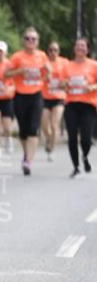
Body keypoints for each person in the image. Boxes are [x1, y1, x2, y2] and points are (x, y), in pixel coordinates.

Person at [5, 28, 51, 176]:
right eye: (27, 38)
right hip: (20, 96)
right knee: (23, 131)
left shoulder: (42, 56)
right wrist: (19, 71)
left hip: (36, 95)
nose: (30, 41)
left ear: (37, 42)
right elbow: (5, 74)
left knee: (33, 129)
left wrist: (45, 76)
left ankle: (28, 162)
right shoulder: (17, 56)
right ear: (23, 40)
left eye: (33, 39)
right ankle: (26, 155)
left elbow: (47, 74)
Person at [61, 37, 97, 178]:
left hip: (88, 105)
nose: (80, 48)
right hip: (71, 103)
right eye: (77, 46)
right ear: (74, 49)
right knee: (72, 136)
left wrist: (93, 86)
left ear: (87, 50)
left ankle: (85, 157)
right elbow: (61, 82)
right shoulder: (67, 66)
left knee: (86, 138)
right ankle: (76, 166)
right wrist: (65, 84)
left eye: (83, 46)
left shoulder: (94, 65)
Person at [41, 41, 68, 161]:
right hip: (45, 97)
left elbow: (69, 78)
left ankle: (51, 150)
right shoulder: (43, 63)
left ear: (59, 51)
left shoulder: (64, 62)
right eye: (51, 50)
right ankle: (49, 138)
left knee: (54, 124)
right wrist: (47, 74)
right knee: (44, 125)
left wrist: (64, 83)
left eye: (55, 50)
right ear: (47, 51)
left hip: (59, 97)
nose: (53, 52)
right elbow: (39, 80)